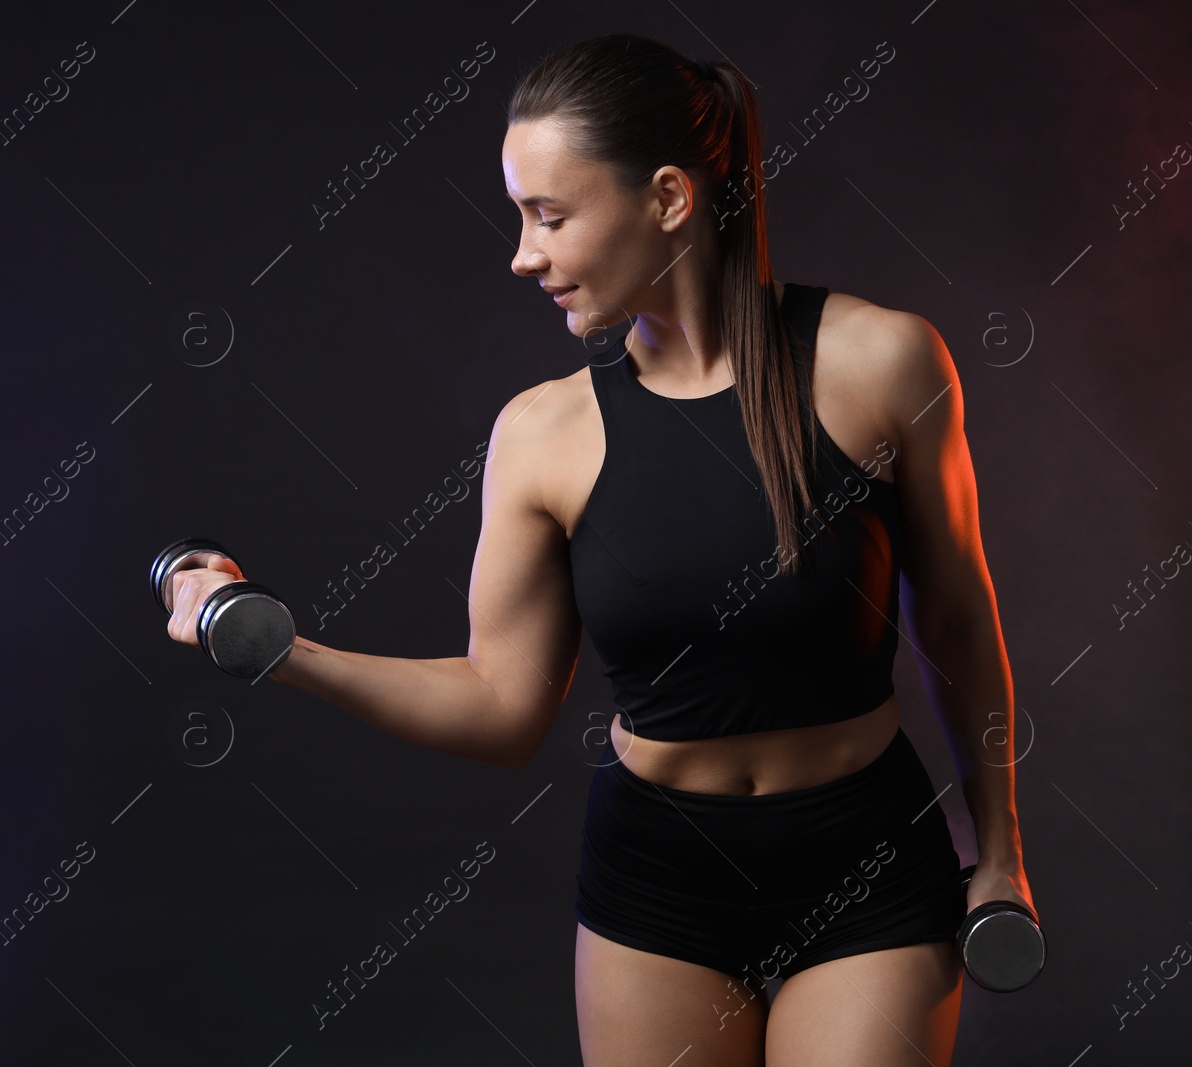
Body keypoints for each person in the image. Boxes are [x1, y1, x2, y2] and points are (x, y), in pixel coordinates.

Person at [163, 32, 1035, 1067]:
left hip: (864, 860)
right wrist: (280, 647)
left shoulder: (884, 361)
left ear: (667, 197)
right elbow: (501, 705)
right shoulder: (541, 435)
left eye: (549, 214)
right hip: (657, 883)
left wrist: (1002, 856)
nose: (522, 254)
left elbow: (956, 619)